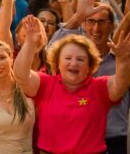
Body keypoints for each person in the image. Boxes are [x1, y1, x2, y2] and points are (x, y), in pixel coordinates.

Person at [14, 15, 130, 154]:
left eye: (80, 59)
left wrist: (123, 60)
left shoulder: (99, 87)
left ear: (90, 66)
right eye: (67, 58)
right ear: (57, 63)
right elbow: (21, 76)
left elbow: (120, 85)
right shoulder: (45, 84)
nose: (73, 63)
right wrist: (30, 43)